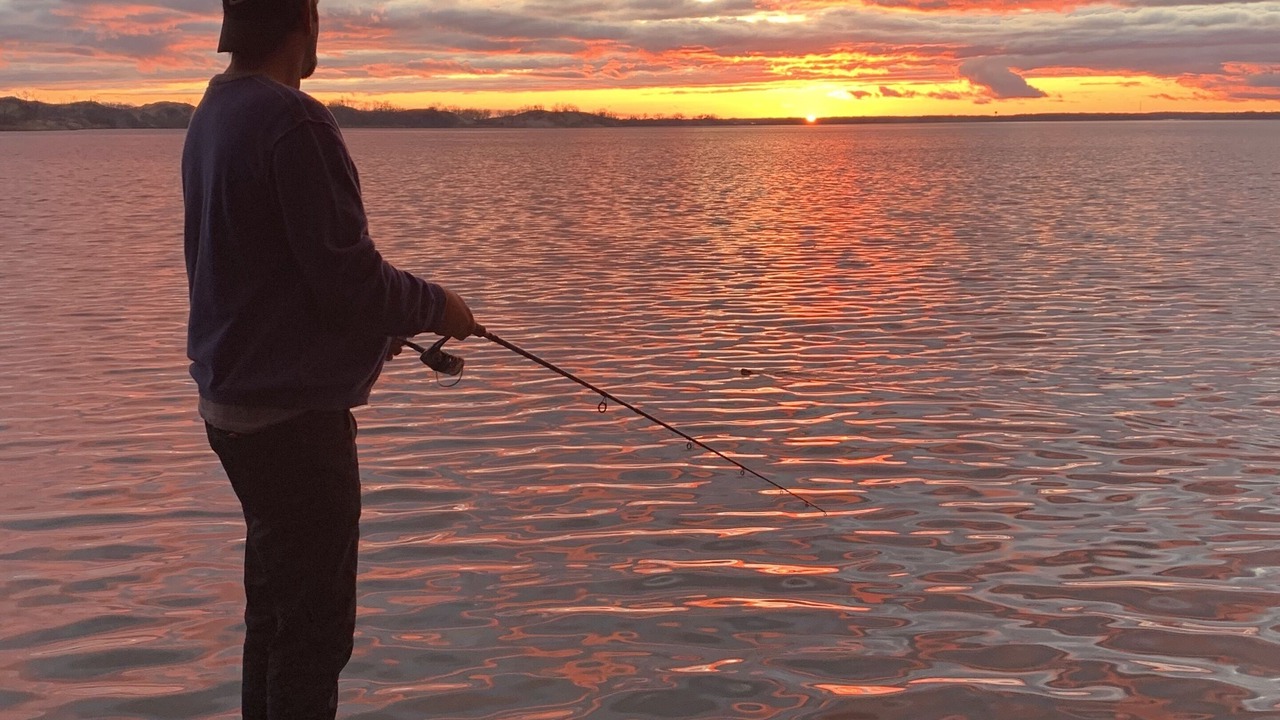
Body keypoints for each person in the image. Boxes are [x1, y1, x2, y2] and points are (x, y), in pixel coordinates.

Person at [181, 0, 481, 717]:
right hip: (293, 425)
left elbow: (280, 273)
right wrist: (441, 307)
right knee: (313, 639)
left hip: (231, 409)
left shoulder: (213, 112)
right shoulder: (294, 120)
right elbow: (349, 278)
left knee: (275, 622)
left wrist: (375, 329)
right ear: (304, 22)